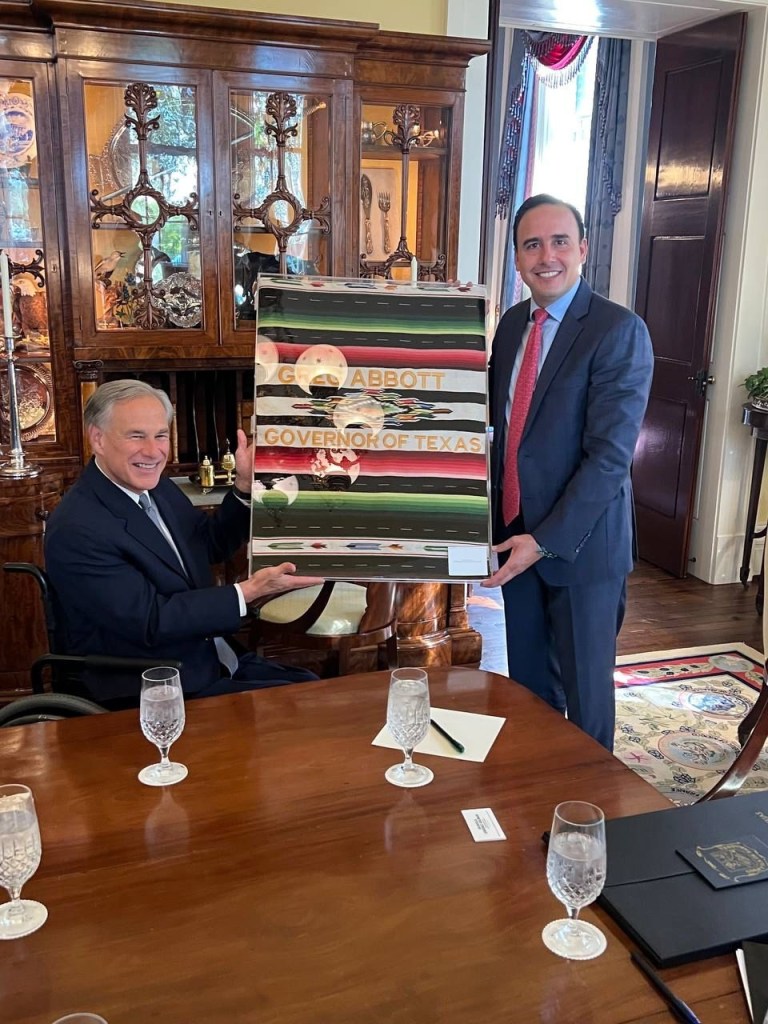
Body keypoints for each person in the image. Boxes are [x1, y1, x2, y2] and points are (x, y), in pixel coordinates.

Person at [482, 194, 654, 750]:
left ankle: (591, 799)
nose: (547, 256)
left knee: (585, 704)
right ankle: (538, 788)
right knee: (529, 693)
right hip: (514, 537)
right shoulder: (512, 325)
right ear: (517, 259)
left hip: (582, 550)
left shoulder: (617, 330)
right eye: (532, 244)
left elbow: (609, 459)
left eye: (559, 241)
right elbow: (499, 428)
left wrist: (544, 541)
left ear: (582, 248)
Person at [45, 379, 322, 707]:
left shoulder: (156, 487)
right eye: (136, 436)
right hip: (153, 686)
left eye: (161, 435)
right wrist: (246, 593)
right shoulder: (77, 528)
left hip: (206, 658)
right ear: (98, 439)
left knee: (311, 690)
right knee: (302, 708)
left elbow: (209, 544)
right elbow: (150, 621)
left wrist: (245, 486)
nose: (153, 451)